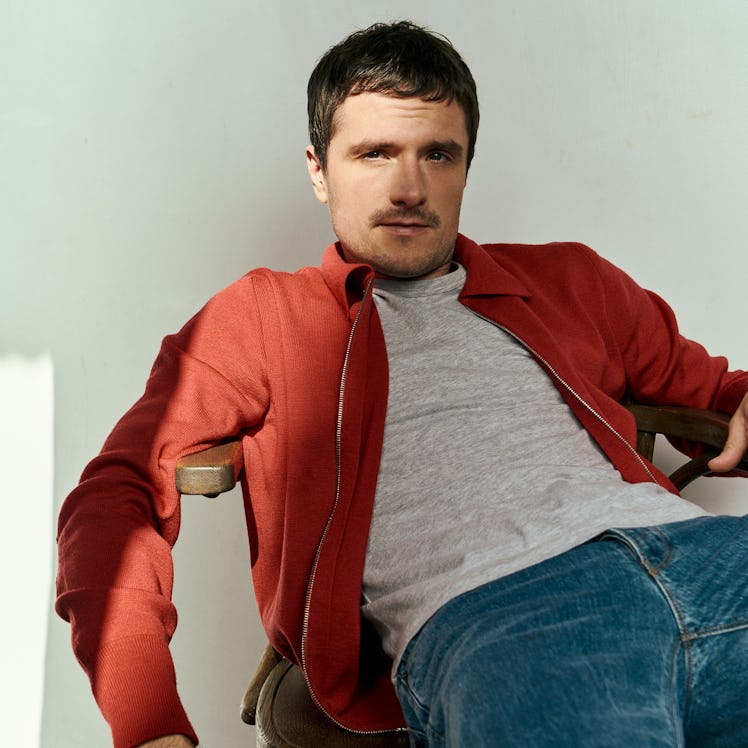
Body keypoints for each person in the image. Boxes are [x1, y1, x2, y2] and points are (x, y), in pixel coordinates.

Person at [56, 20, 748, 748]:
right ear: (318, 169)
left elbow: (718, 394)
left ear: (466, 166)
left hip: (706, 557)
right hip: (511, 616)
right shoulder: (263, 316)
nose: (409, 188)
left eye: (437, 154)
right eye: (374, 154)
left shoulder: (570, 279)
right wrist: (148, 720)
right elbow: (117, 492)